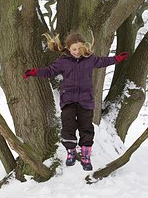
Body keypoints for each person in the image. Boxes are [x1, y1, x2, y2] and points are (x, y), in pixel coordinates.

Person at [23, 32, 129, 171]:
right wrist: (34, 72)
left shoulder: (89, 59)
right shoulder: (63, 61)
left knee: (86, 127)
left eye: (80, 48)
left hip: (86, 100)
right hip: (68, 100)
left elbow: (103, 61)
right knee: (68, 124)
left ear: (84, 47)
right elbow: (50, 71)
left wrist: (117, 58)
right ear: (68, 48)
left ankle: (85, 156)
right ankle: (71, 151)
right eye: (74, 49)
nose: (77, 52)